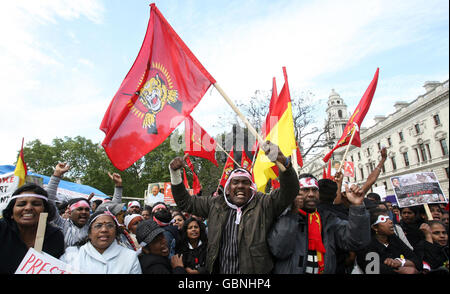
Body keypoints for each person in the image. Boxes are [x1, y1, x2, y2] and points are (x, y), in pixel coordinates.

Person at [169, 141, 300, 274]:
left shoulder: (264, 203)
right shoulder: (215, 204)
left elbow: (289, 191)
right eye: (235, 182)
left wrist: (284, 163)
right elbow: (185, 202)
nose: (240, 186)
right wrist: (175, 173)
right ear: (227, 189)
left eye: (245, 182)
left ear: (251, 187)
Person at [268, 174, 370, 274]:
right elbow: (279, 250)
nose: (311, 194)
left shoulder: (328, 219)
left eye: (314, 190)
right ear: (295, 194)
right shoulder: (282, 217)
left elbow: (356, 241)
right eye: (305, 190)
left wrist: (357, 207)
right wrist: (293, 213)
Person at [48, 163, 123, 248]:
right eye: (80, 209)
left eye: (87, 209)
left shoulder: (92, 225)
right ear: (70, 211)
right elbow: (49, 203)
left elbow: (113, 208)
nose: (84, 212)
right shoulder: (61, 224)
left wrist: (118, 186)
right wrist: (56, 175)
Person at [0, 183, 65, 274]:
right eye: (21, 204)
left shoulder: (55, 236)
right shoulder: (2, 229)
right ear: (11, 212)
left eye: (36, 204)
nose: (28, 208)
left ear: (45, 211)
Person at [60, 210, 142, 274]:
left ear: (116, 232)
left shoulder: (129, 257)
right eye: (98, 226)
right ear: (89, 233)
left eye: (110, 225)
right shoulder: (72, 254)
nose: (104, 230)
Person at [356, 208, 422, 274]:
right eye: (384, 220)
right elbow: (374, 269)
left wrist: (400, 262)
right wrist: (400, 270)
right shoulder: (366, 245)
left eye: (389, 218)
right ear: (375, 227)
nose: (390, 221)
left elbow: (417, 261)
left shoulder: (393, 238)